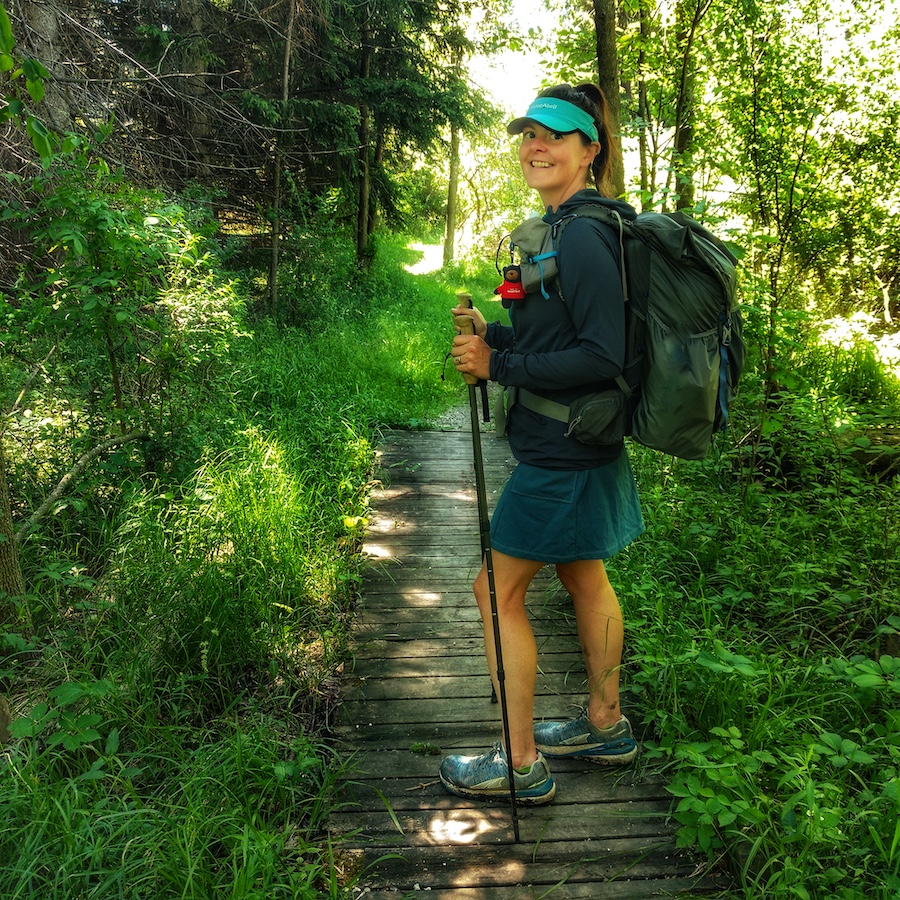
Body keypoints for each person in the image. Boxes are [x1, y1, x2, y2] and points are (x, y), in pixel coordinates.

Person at [440, 83, 645, 805]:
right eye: (528, 132)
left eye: (554, 135)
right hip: (583, 442)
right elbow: (558, 337)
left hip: (564, 449)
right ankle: (606, 724)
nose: (536, 145)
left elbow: (603, 354)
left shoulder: (583, 233)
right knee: (584, 578)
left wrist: (502, 366)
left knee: (493, 591)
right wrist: (493, 335)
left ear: (591, 150)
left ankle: (519, 764)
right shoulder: (564, 229)